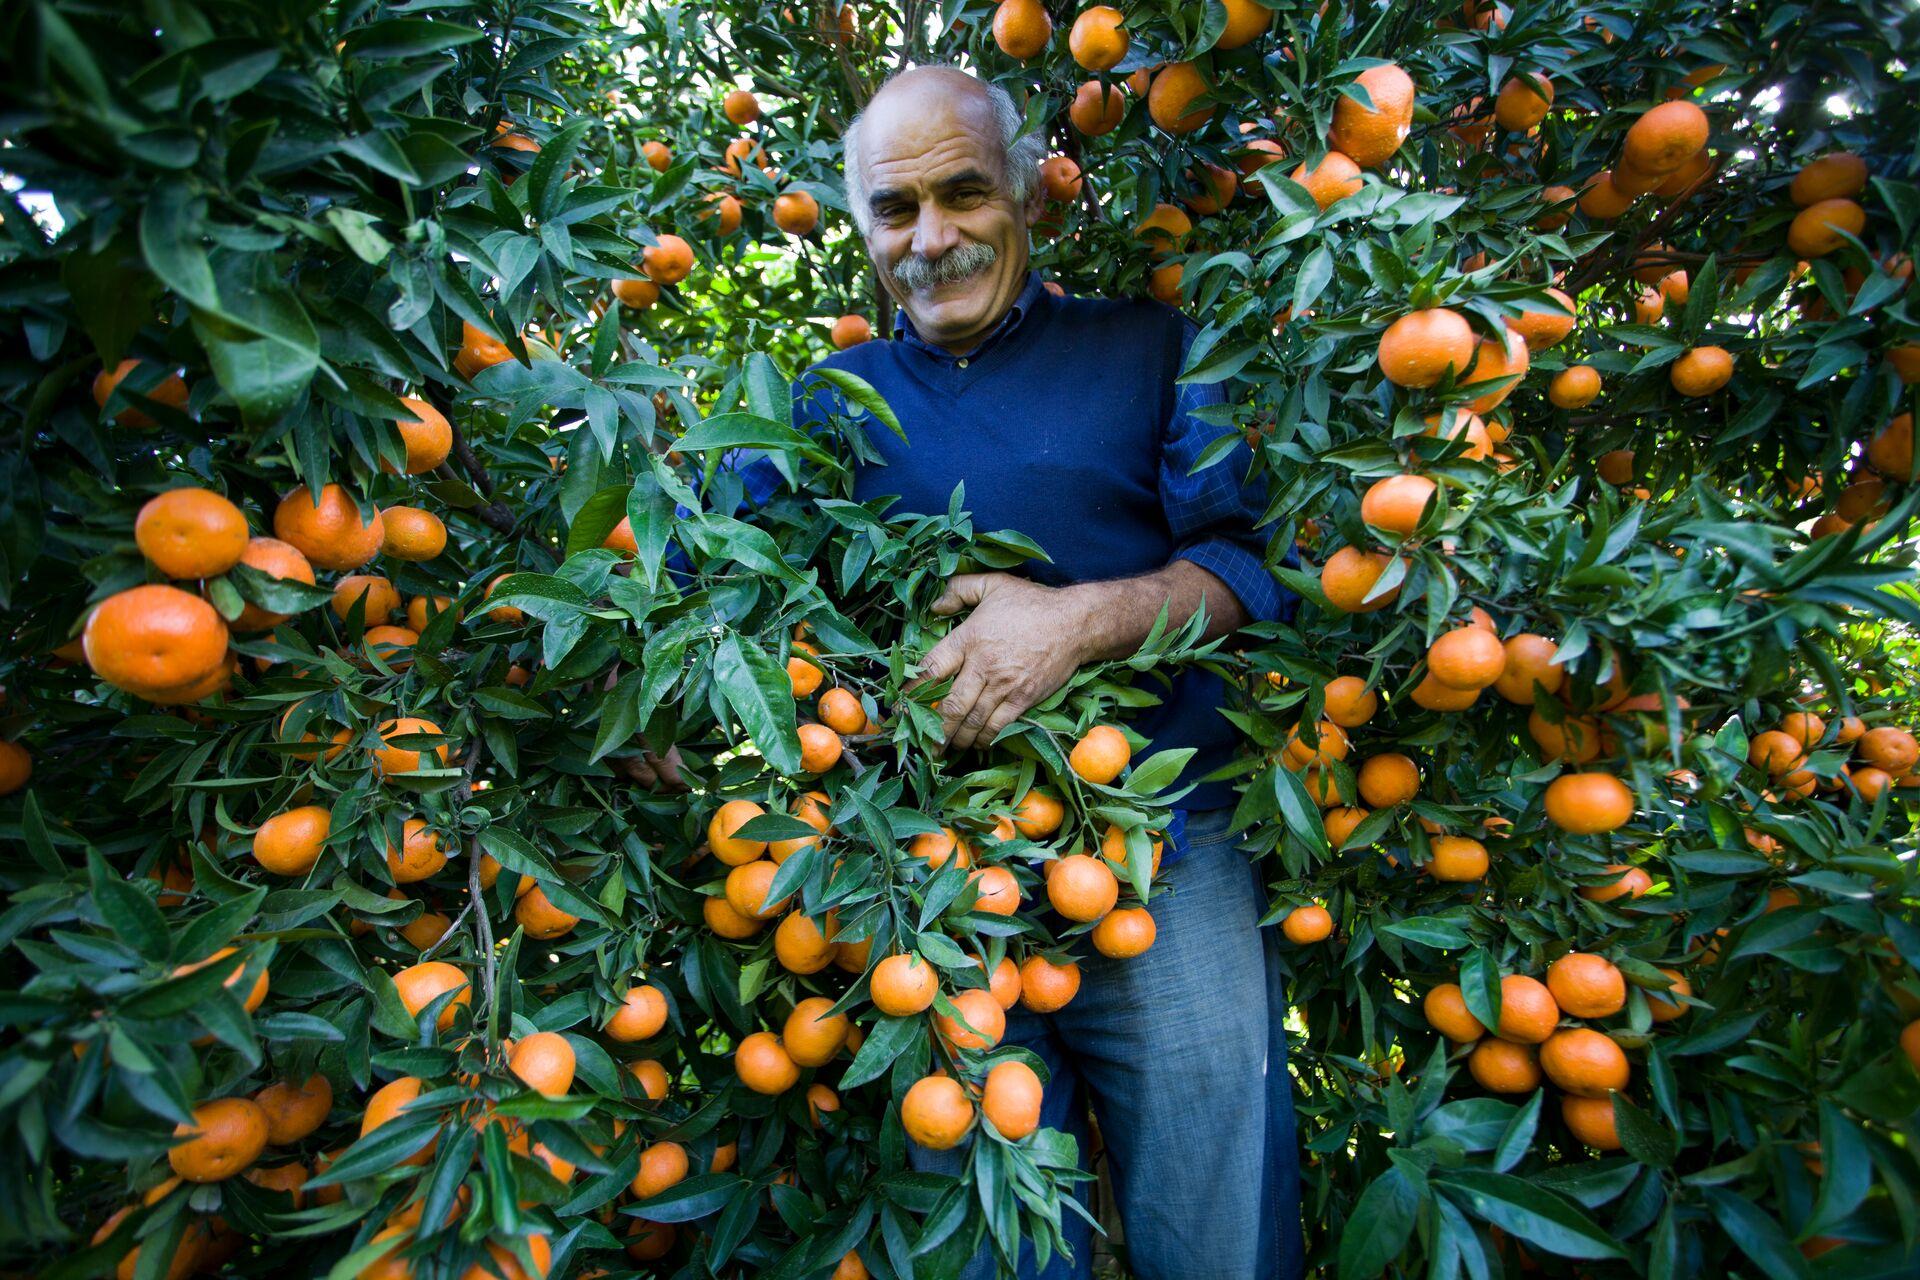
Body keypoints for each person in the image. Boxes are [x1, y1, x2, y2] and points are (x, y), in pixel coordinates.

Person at [632, 63, 1304, 1280]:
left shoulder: (1154, 348)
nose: (932, 238)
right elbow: (703, 579)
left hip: (1170, 853)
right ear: (861, 228)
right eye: (896, 209)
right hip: (927, 899)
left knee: (1218, 1226)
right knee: (991, 1240)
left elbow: (1249, 569)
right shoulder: (823, 405)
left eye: (964, 193)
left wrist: (1082, 620)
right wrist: (654, 679)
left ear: (1029, 199)